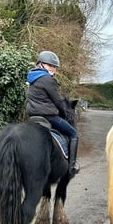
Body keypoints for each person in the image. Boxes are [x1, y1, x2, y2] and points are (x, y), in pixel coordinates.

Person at [26, 50, 79, 178]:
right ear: (40, 64)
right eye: (51, 65)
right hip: (49, 116)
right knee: (73, 134)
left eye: (55, 67)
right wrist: (65, 113)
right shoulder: (48, 80)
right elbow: (58, 101)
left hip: (32, 116)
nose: (54, 69)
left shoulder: (32, 79)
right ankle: (72, 165)